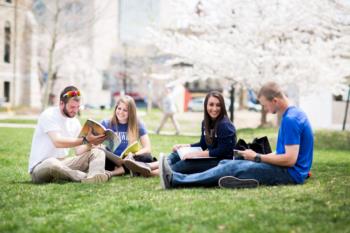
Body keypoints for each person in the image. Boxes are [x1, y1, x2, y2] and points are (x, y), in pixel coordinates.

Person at [159, 82, 314, 189]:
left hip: (289, 174)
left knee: (232, 168)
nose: (265, 109)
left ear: (275, 100)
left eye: (265, 105)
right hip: (290, 171)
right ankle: (242, 180)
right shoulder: (294, 114)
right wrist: (255, 155)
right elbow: (284, 153)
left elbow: (289, 159)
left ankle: (175, 180)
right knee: (227, 164)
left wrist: (257, 157)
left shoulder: (290, 120)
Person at [126, 91, 237, 176]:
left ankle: (146, 173)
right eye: (211, 104)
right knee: (177, 154)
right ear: (206, 106)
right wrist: (184, 146)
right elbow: (203, 145)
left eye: (218, 105)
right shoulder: (206, 123)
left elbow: (222, 151)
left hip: (222, 162)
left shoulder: (224, 125)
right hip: (212, 157)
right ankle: (146, 166)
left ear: (222, 106)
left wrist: (195, 154)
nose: (214, 108)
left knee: (185, 163)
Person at [29, 86, 110, 184]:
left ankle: (95, 176)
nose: (75, 111)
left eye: (77, 107)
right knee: (52, 163)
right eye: (72, 107)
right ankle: (84, 177)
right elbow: (57, 142)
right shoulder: (49, 115)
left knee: (97, 152)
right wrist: (86, 140)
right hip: (41, 166)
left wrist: (92, 143)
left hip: (64, 163)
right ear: (61, 103)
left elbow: (79, 150)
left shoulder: (75, 122)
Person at [101, 95, 158, 177]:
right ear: (115, 108)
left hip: (129, 160)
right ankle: (132, 170)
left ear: (131, 112)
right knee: (101, 158)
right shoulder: (106, 123)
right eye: (119, 108)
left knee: (147, 158)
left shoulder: (137, 124)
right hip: (111, 160)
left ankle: (117, 171)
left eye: (125, 110)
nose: (120, 112)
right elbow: (96, 144)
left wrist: (133, 155)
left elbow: (147, 148)